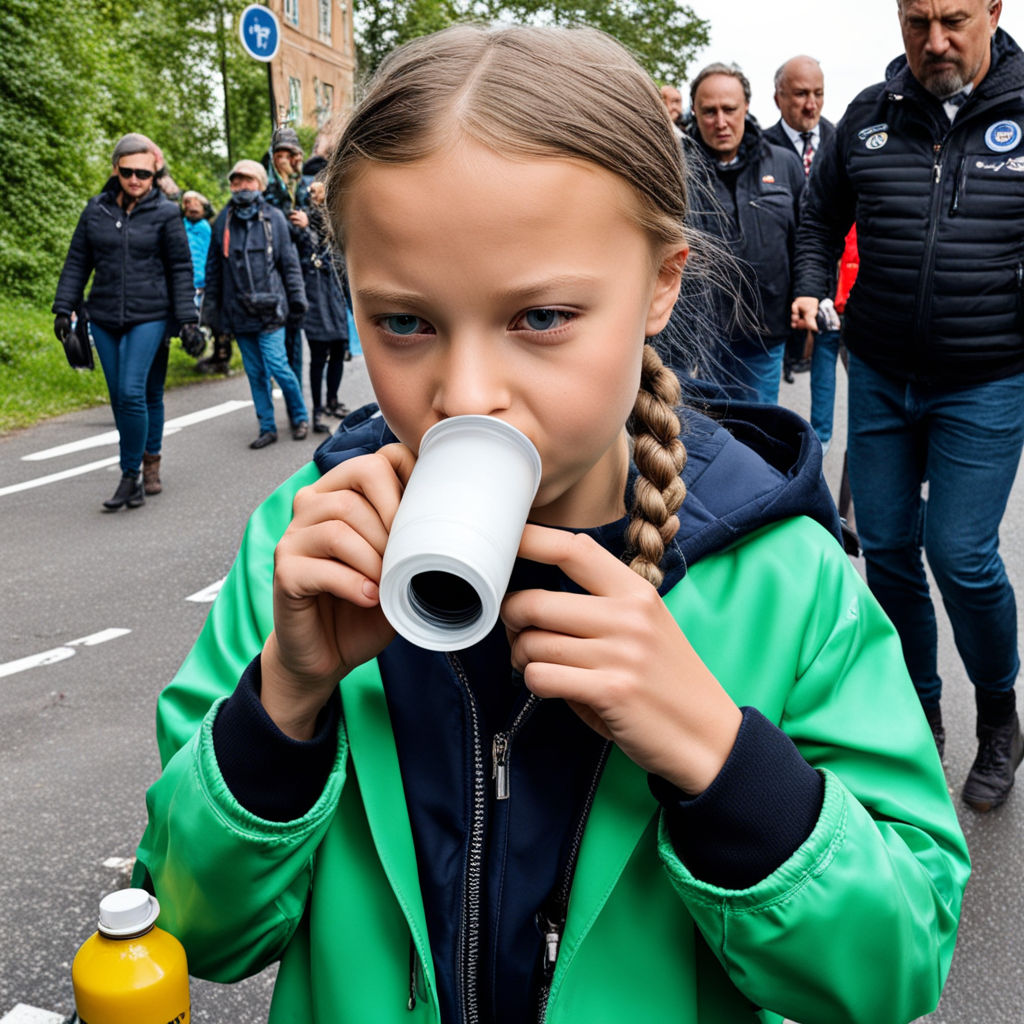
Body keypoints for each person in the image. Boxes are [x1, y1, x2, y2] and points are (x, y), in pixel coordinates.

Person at [133, 24, 968, 1024]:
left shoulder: (782, 580)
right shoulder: (303, 546)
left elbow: (892, 965)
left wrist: (717, 755)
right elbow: (197, 928)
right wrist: (286, 697)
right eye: (405, 322)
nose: (470, 392)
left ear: (661, 282)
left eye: (539, 318)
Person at [793, 0, 1024, 811]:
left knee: (961, 556)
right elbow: (820, 216)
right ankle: (917, 714)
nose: (935, 41)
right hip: (883, 375)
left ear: (994, 9)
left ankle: (1000, 715)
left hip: (987, 379)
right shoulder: (868, 115)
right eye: (916, 19)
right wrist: (811, 281)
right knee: (887, 550)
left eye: (954, 19)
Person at [53, 133, 201, 508]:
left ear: (155, 175)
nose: (135, 179)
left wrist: (187, 320)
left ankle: (131, 474)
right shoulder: (95, 210)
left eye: (144, 173)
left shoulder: (167, 213)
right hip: (102, 316)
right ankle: (147, 461)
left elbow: (180, 268)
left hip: (150, 315)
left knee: (133, 393)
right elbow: (76, 262)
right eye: (127, 171)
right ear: (115, 169)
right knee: (128, 395)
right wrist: (63, 307)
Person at [686, 63, 805, 404]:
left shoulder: (783, 163)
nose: (720, 122)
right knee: (704, 433)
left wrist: (808, 295)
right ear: (694, 111)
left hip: (764, 329)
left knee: (757, 428)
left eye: (729, 109)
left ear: (746, 107)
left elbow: (805, 240)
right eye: (709, 112)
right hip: (698, 333)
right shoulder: (678, 168)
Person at [763, 57, 843, 452]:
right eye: (800, 94)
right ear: (778, 98)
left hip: (827, 284)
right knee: (769, 371)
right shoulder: (760, 149)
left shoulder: (840, 142)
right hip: (774, 286)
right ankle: (769, 453)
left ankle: (820, 446)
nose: (811, 104)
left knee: (824, 362)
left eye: (818, 94)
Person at [202, 158, 309, 448]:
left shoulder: (274, 218)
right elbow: (214, 269)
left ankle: (299, 417)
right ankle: (267, 427)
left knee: (278, 365)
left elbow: (289, 264)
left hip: (271, 308)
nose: (241, 186)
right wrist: (212, 313)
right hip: (238, 312)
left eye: (247, 181)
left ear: (260, 184)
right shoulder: (222, 221)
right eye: (236, 181)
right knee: (255, 373)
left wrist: (297, 299)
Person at [264, 126, 314, 382]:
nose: (287, 159)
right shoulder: (268, 188)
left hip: (302, 266)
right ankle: (281, 381)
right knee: (276, 332)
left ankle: (295, 390)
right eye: (281, 154)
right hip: (274, 267)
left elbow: (316, 225)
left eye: (291, 153)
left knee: (295, 333)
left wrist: (306, 222)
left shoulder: (304, 187)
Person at [299, 179, 350, 433]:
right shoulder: (303, 217)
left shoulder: (337, 216)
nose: (320, 193)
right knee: (319, 354)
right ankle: (317, 410)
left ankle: (332, 399)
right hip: (315, 294)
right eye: (316, 190)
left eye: (323, 189)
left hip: (335, 292)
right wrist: (308, 227)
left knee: (339, 349)